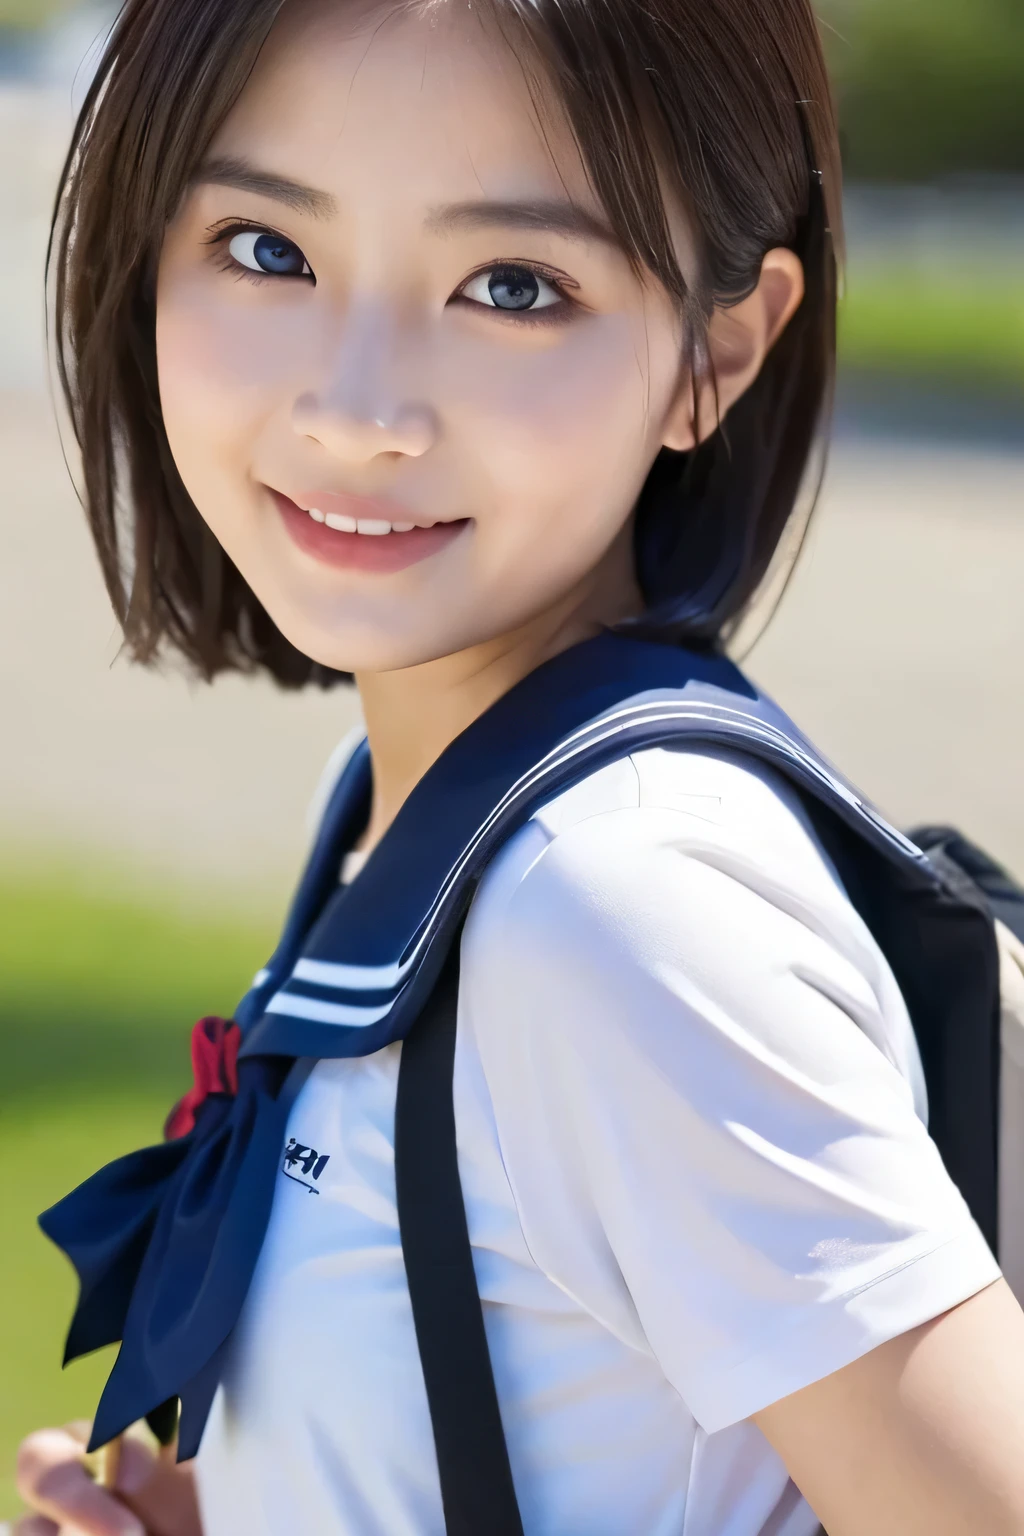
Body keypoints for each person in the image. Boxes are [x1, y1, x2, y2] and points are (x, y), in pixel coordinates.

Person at [14, 0, 1024, 1531]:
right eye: (268, 250)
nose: (356, 413)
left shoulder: (613, 912)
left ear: (719, 348)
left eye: (510, 285)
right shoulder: (407, 810)